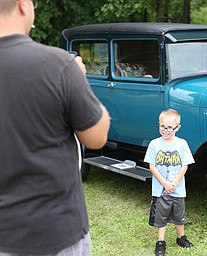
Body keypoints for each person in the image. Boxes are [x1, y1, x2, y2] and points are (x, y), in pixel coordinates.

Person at [0, 0, 110, 255]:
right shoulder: (59, 65)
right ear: (23, 5)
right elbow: (96, 136)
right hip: (55, 231)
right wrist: (80, 81)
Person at [144, 109, 194, 256]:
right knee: (161, 217)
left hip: (178, 190)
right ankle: (160, 242)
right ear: (159, 125)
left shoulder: (182, 144)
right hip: (160, 190)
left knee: (179, 216)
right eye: (162, 126)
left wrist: (175, 184)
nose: (165, 130)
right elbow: (151, 166)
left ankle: (181, 238)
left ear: (177, 128)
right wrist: (165, 183)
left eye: (169, 127)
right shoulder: (154, 144)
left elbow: (185, 165)